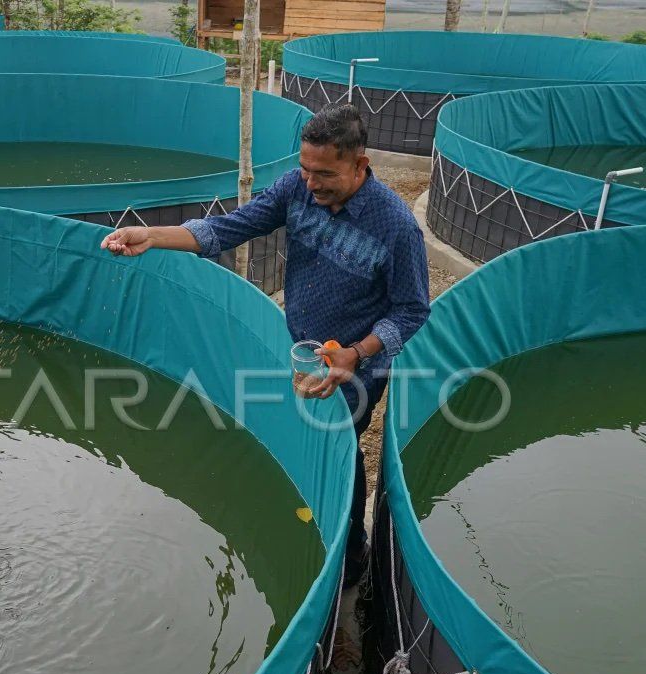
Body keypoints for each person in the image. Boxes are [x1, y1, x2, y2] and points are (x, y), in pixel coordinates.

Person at [100, 103, 430, 585]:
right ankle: (311, 514)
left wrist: (356, 354)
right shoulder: (296, 190)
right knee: (303, 431)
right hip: (301, 348)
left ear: (360, 165)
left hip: (356, 367)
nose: (311, 183)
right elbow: (228, 228)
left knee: (342, 445)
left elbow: (412, 311)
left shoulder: (396, 227)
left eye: (324, 174)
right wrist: (150, 235)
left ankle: (352, 552)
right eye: (304, 169)